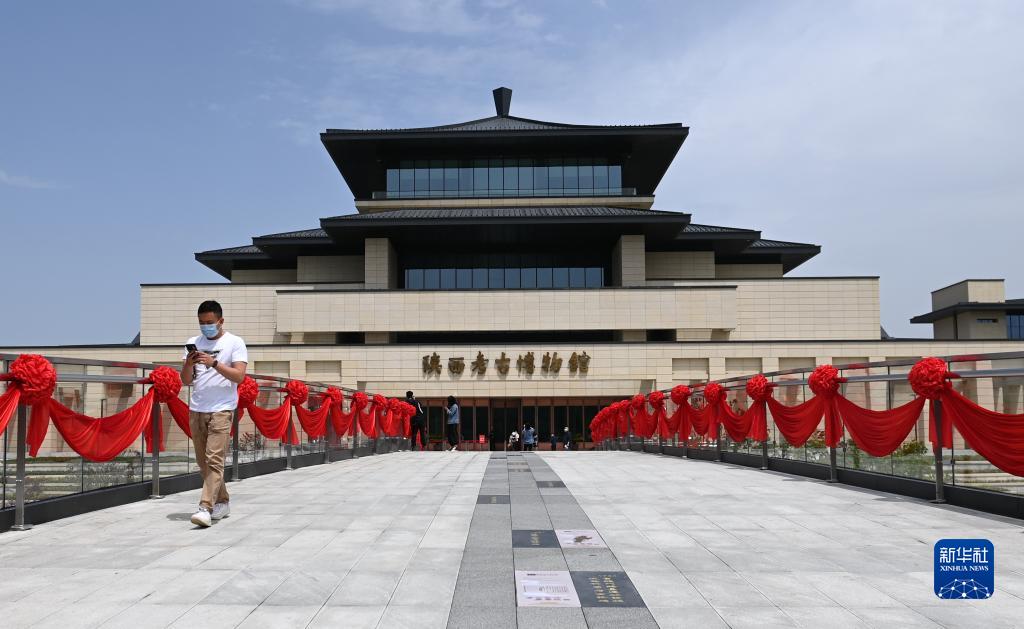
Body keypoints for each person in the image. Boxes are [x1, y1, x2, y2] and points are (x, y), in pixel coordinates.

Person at [181, 300, 248, 528]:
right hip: (197, 408)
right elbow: (186, 380)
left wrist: (214, 363)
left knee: (214, 459)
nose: (205, 327)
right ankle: (222, 501)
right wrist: (188, 364)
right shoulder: (193, 342)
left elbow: (239, 376)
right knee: (204, 463)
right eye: (201, 323)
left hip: (222, 408)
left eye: (209, 322)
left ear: (221, 321)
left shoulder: (235, 342)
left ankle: (205, 508)